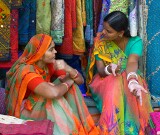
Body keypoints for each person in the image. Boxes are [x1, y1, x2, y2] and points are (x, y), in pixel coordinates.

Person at [5, 34, 99, 135]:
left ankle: (73, 126)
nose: (55, 51)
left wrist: (68, 68)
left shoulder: (48, 65)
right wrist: (69, 82)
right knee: (55, 94)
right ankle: (67, 129)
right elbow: (53, 93)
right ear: (39, 54)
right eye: (51, 49)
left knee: (68, 86)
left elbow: (80, 81)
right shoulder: (26, 71)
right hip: (24, 111)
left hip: (38, 104)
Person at [86, 11, 153, 135]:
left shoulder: (135, 42)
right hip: (105, 80)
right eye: (104, 28)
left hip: (129, 75)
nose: (104, 33)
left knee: (128, 86)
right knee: (115, 81)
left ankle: (128, 130)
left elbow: (132, 62)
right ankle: (112, 129)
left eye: (109, 31)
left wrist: (132, 80)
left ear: (121, 33)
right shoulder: (100, 41)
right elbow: (100, 71)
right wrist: (109, 69)